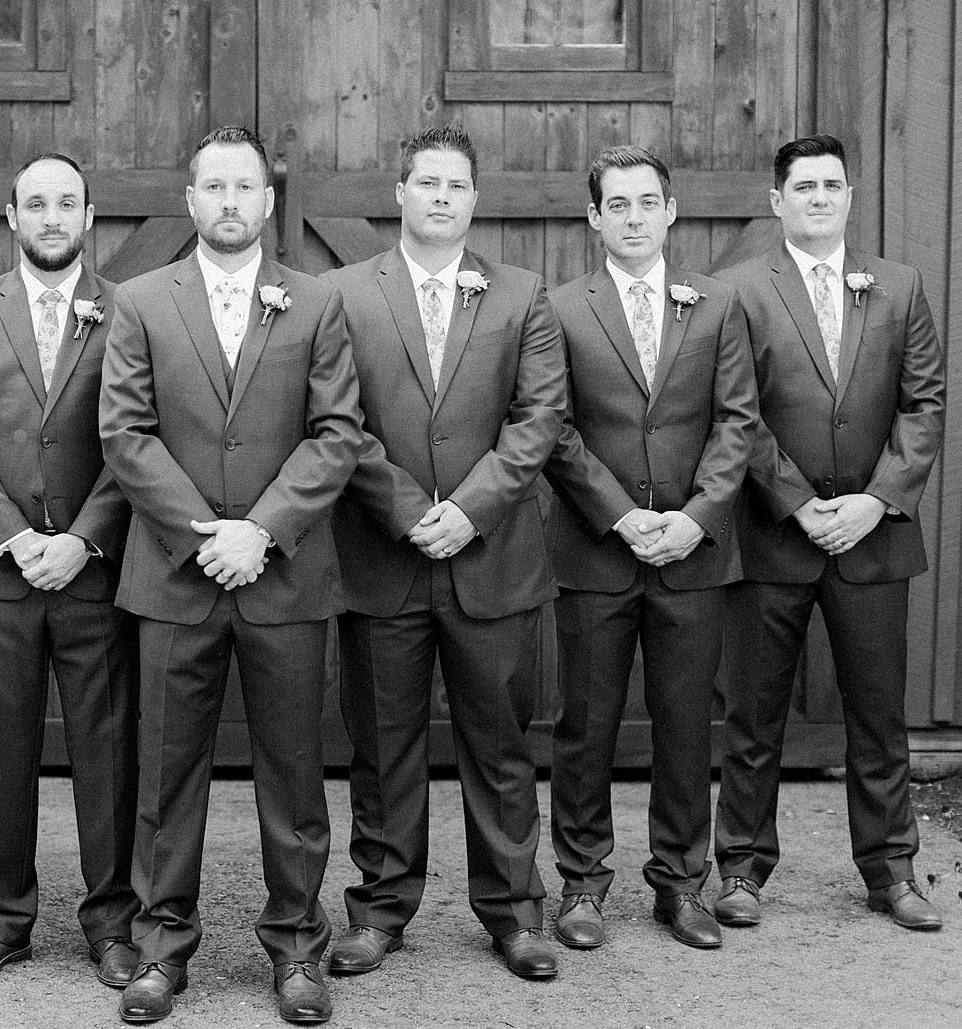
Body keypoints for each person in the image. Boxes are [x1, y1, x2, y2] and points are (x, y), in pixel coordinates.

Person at [99, 126, 361, 1025]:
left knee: (293, 776)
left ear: (267, 201)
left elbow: (337, 433)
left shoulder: (316, 301)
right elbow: (125, 433)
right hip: (175, 576)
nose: (228, 202)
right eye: (212, 186)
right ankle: (160, 947)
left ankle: (297, 948)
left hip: (284, 576)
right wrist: (205, 535)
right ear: (190, 200)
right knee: (165, 776)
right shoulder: (140, 300)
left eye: (243, 187)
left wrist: (263, 531)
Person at [322, 124, 568, 982]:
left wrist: (470, 509)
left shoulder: (522, 295)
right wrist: (403, 508)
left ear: (473, 199)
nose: (439, 196)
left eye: (454, 185)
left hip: (491, 557)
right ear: (399, 192)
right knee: (382, 746)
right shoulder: (342, 294)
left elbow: (538, 416)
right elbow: (336, 419)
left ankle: (515, 912)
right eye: (425, 182)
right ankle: (378, 910)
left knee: (499, 746)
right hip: (380, 557)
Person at [714, 133, 947, 932]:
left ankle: (891, 871)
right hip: (771, 534)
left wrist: (876, 501)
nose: (818, 198)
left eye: (830, 185)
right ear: (776, 201)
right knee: (753, 715)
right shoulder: (737, 290)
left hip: (873, 537)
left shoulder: (898, 285)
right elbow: (733, 411)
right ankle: (740, 868)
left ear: (848, 196)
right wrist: (796, 501)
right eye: (803, 187)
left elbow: (923, 404)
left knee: (877, 715)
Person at [0, 153, 139, 988]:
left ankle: (112, 923)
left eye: (67, 203)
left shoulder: (130, 309)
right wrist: (14, 538)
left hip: (95, 571)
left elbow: (140, 437)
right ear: (12, 217)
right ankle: (0, 918)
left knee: (107, 752)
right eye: (37, 204)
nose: (52, 217)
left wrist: (82, 539)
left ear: (89, 216)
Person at [543, 145, 758, 950]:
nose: (632, 218)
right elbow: (553, 427)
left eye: (645, 202)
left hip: (692, 552)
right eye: (616, 205)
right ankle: (581, 882)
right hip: (596, 550)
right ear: (593, 217)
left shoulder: (716, 303)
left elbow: (736, 420)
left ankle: (680, 882)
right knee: (585, 724)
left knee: (685, 723)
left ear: (670, 210)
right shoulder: (560, 308)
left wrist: (696, 517)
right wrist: (618, 515)